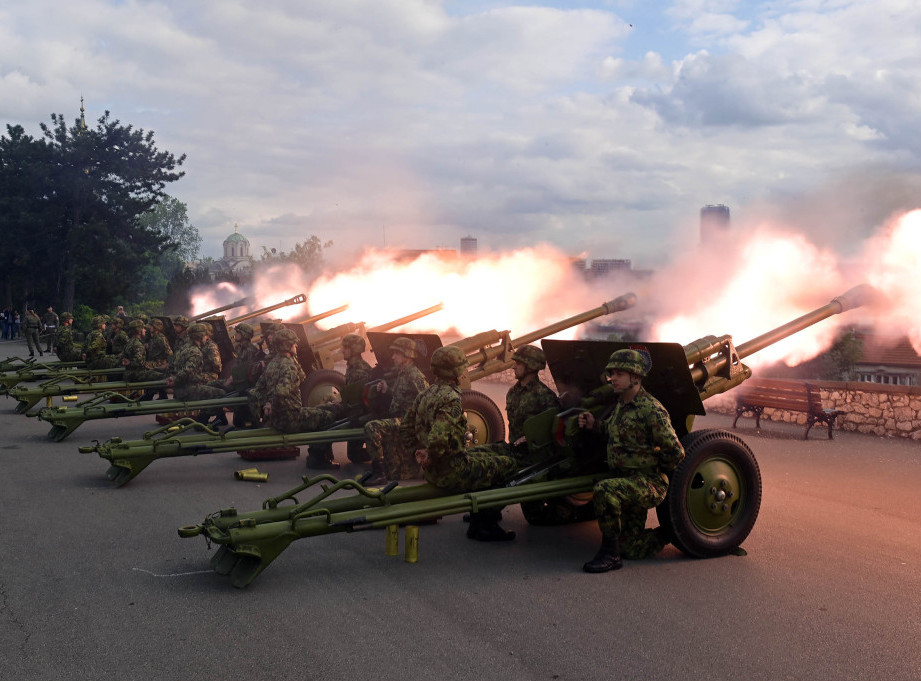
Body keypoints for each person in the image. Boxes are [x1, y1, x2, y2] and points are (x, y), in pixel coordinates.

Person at [575, 348, 685, 573]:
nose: (612, 378)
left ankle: (610, 554)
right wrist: (593, 424)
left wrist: (654, 469)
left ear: (635, 377)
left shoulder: (651, 410)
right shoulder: (622, 404)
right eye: (611, 373)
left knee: (604, 489)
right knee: (631, 548)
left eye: (619, 374)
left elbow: (676, 452)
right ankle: (672, 532)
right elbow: (612, 430)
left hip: (647, 483)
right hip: (626, 482)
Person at [404, 345, 521, 541]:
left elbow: (406, 427)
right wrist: (431, 455)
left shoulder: (426, 393)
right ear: (456, 372)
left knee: (487, 455)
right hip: (452, 471)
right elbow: (438, 438)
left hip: (433, 471)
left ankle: (478, 516)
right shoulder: (451, 399)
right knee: (508, 465)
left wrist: (419, 454)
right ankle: (485, 524)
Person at [248, 329, 341, 446]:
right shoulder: (289, 366)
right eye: (293, 343)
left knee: (326, 407)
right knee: (328, 417)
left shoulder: (272, 364)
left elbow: (256, 391)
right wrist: (272, 405)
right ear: (287, 345)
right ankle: (319, 455)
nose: (296, 345)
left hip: (275, 419)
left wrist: (264, 410)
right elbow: (282, 392)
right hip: (290, 419)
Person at [363, 337, 429, 483]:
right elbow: (402, 396)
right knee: (395, 475)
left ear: (406, 355)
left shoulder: (415, 376)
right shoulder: (402, 373)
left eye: (396, 353)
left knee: (372, 427)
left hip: (406, 422)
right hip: (398, 419)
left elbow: (428, 401)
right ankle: (383, 471)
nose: (393, 357)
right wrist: (387, 390)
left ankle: (378, 473)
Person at [167, 323, 228, 425]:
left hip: (179, 389)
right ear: (200, 336)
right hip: (187, 390)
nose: (206, 337)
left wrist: (174, 378)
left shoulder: (183, 348)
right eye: (204, 335)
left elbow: (173, 367)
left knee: (209, 388)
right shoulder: (196, 352)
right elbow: (188, 373)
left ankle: (220, 419)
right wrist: (176, 379)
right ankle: (202, 419)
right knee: (220, 393)